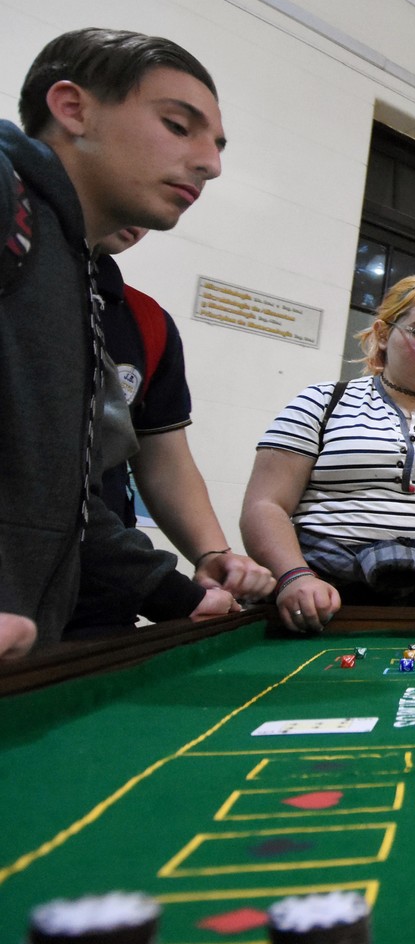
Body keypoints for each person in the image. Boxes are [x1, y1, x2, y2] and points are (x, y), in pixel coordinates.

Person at [0, 27, 237, 651]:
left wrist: (182, 596)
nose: (211, 164)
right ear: (73, 109)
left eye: (217, 145)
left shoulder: (78, 282)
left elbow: (65, 497)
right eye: (179, 126)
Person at [241, 273, 415, 632]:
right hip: (322, 592)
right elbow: (265, 505)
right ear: (384, 333)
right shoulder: (321, 402)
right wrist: (294, 577)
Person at [68, 226, 274, 637]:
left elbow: (164, 461)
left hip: (100, 603)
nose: (206, 169)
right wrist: (166, 591)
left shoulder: (145, 320)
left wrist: (213, 553)